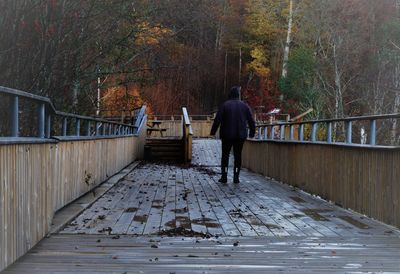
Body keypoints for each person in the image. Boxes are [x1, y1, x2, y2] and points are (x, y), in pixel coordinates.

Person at [210, 86, 255, 184]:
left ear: (230, 94)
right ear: (238, 95)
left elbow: (217, 119)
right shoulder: (245, 106)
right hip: (240, 135)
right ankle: (236, 177)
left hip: (227, 135)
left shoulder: (225, 105)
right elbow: (251, 120)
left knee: (225, 156)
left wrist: (213, 132)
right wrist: (252, 132)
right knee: (237, 156)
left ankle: (224, 176)